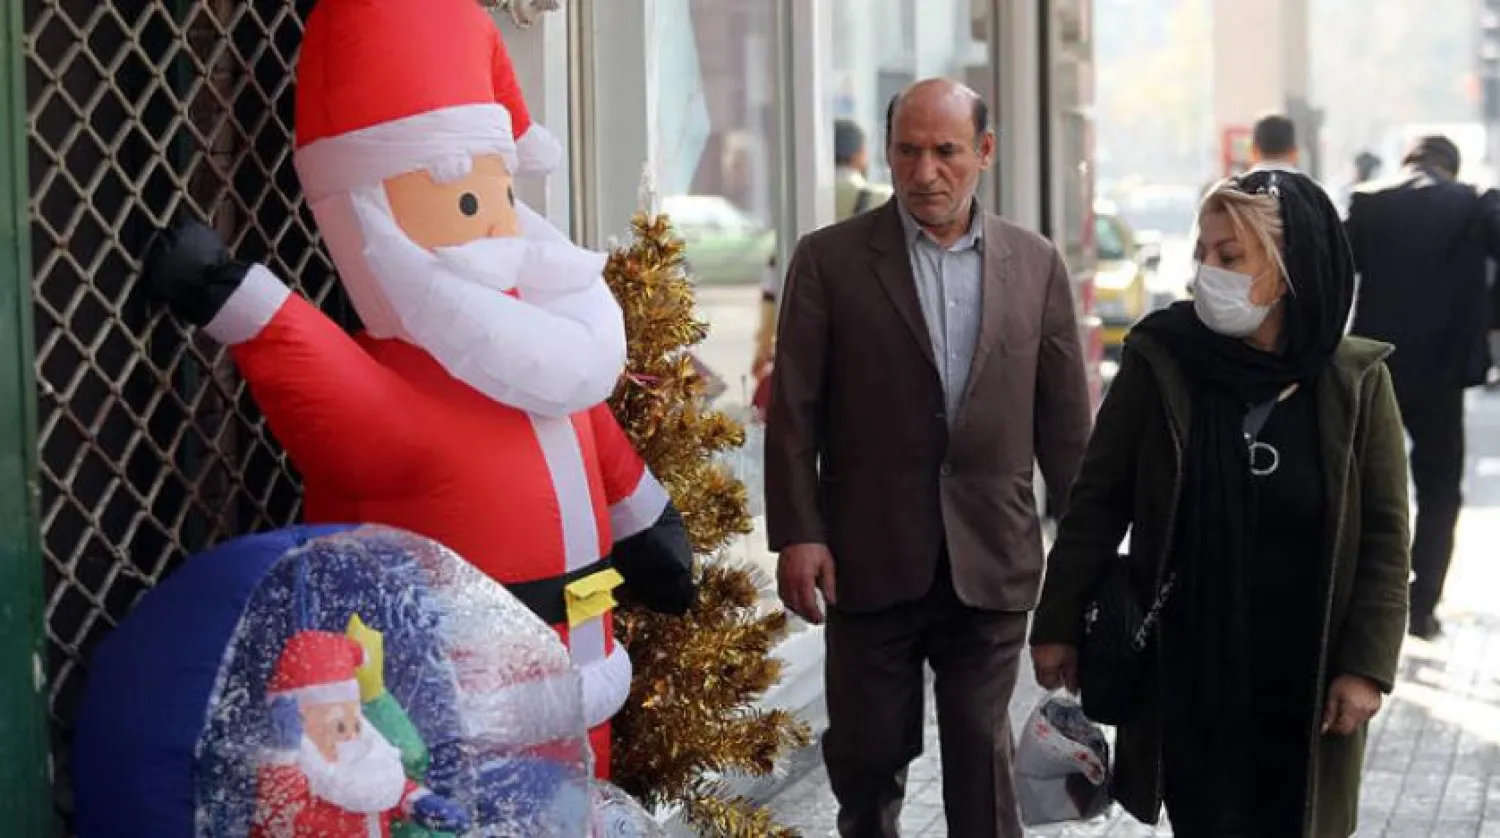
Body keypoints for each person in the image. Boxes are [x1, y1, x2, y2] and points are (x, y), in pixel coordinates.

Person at [1030, 169, 1411, 837]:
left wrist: (1366, 667)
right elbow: (1096, 503)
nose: (1209, 271)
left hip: (1308, 679)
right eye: (1203, 252)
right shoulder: (1162, 361)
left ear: (1292, 267)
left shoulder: (1357, 381)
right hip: (1190, 675)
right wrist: (1057, 621)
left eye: (1231, 257)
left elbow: (1384, 540)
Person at [765, 78, 1092, 837]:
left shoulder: (1036, 264)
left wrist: (1086, 565)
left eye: (945, 151)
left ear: (984, 152)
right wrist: (799, 534)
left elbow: (1068, 430)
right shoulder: (829, 261)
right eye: (908, 152)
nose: (924, 172)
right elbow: (795, 412)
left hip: (994, 555)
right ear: (886, 155)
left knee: (983, 756)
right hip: (868, 554)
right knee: (869, 757)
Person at [1346, 135, 1500, 638]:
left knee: (1364, 486)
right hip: (1442, 376)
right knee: (1439, 491)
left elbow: (1333, 270)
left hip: (1376, 371)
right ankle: (1421, 604)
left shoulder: (1370, 202)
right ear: (1450, 167)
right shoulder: (1474, 203)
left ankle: (1364, 596)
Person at [752, 120, 895, 402]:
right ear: (860, 155)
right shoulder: (884, 199)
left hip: (808, 341)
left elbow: (773, 283)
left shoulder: (799, 201)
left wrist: (763, 349)